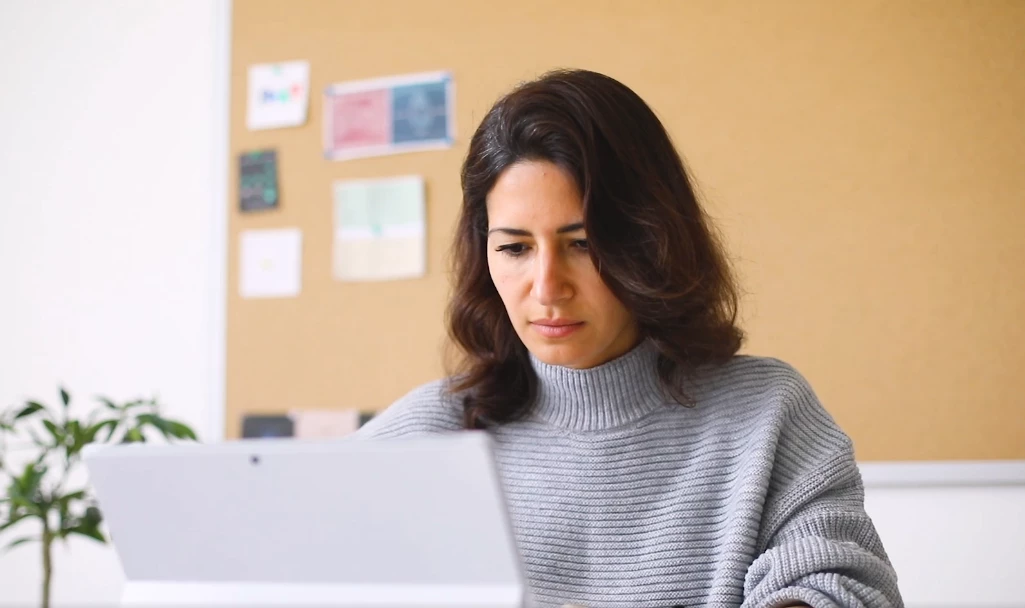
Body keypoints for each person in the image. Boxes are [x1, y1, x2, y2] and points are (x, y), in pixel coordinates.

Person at [355, 69, 903, 608]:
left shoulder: (766, 413)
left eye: (583, 244)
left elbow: (842, 585)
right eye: (515, 248)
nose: (547, 288)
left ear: (649, 241)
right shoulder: (420, 443)